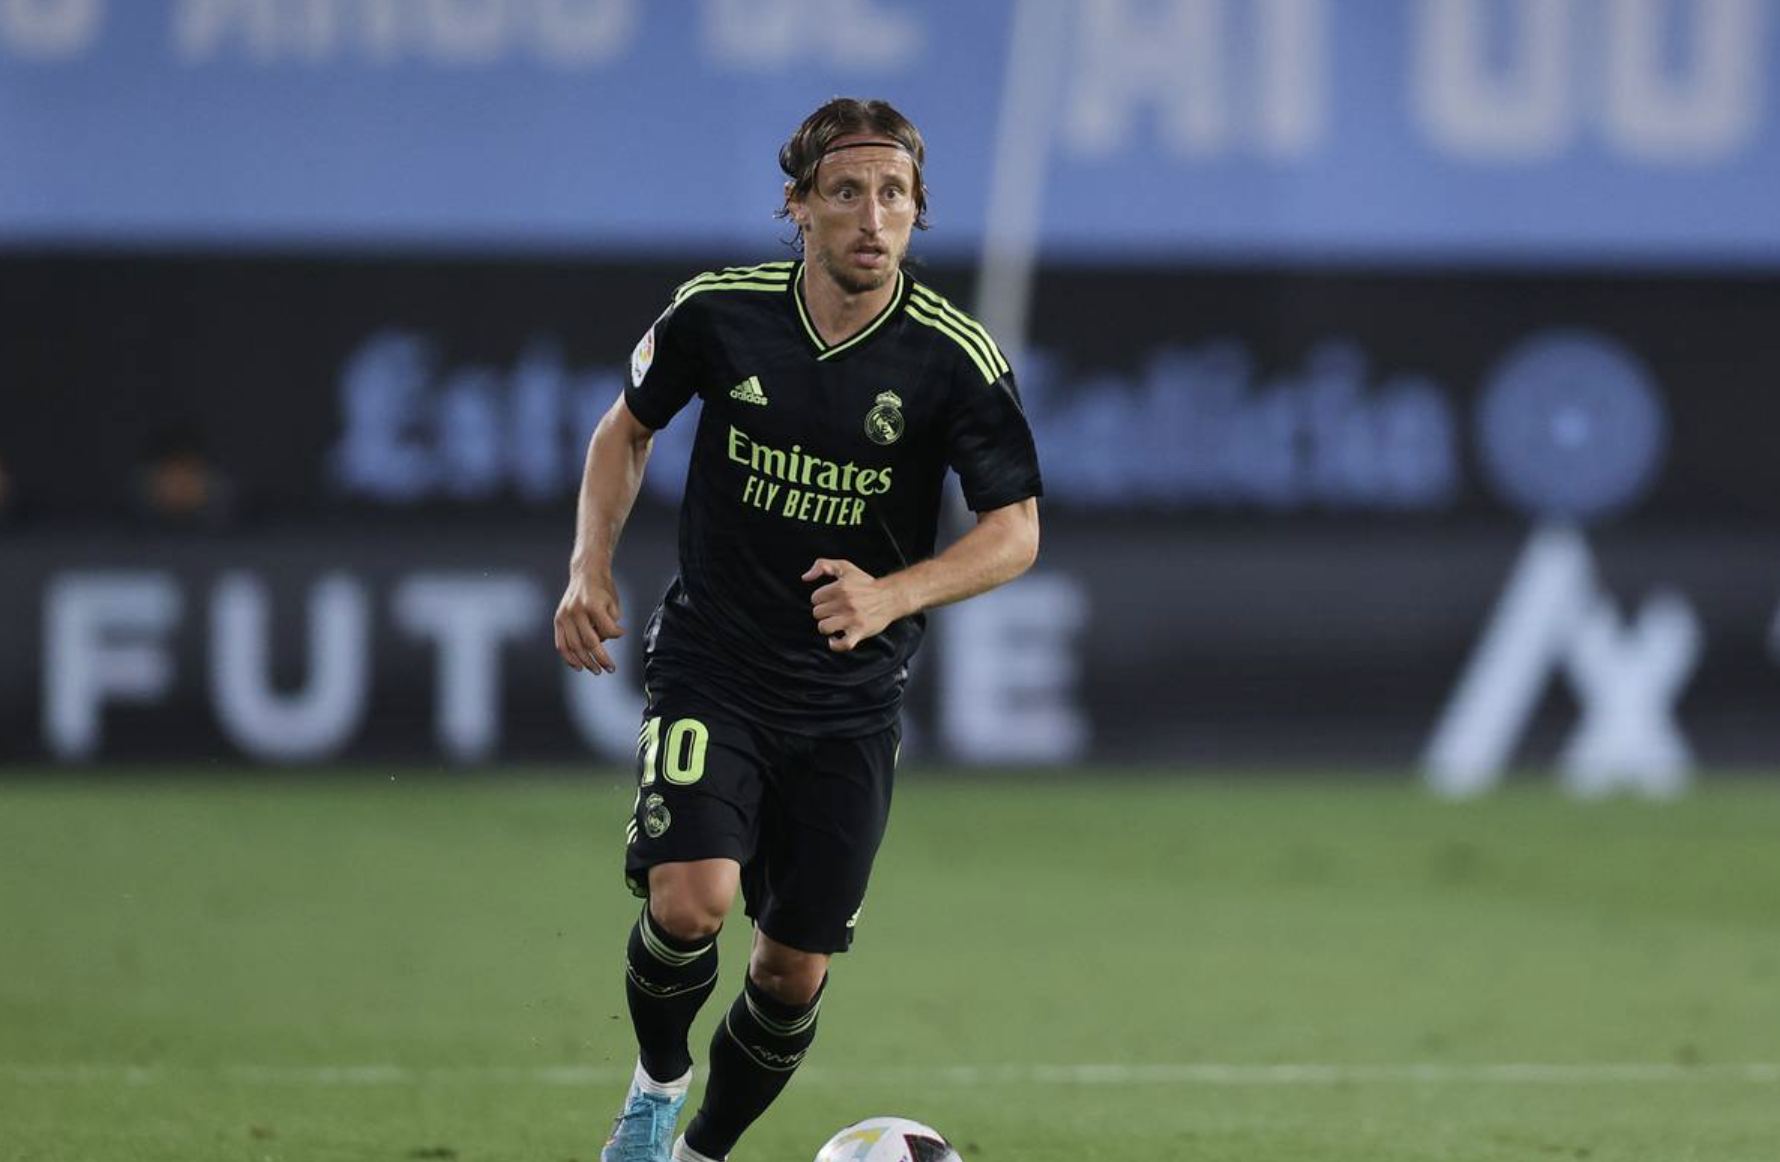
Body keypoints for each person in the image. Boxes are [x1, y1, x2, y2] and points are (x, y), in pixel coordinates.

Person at [554, 97, 1043, 1162]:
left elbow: (1015, 534)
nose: (872, 216)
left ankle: (700, 1154)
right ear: (799, 208)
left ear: (917, 212)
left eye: (894, 196)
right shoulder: (720, 315)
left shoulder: (952, 359)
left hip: (848, 701)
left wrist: (891, 593)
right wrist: (587, 565)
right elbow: (623, 432)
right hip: (714, 665)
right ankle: (655, 1086)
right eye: (847, 193)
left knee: (789, 972)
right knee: (691, 903)